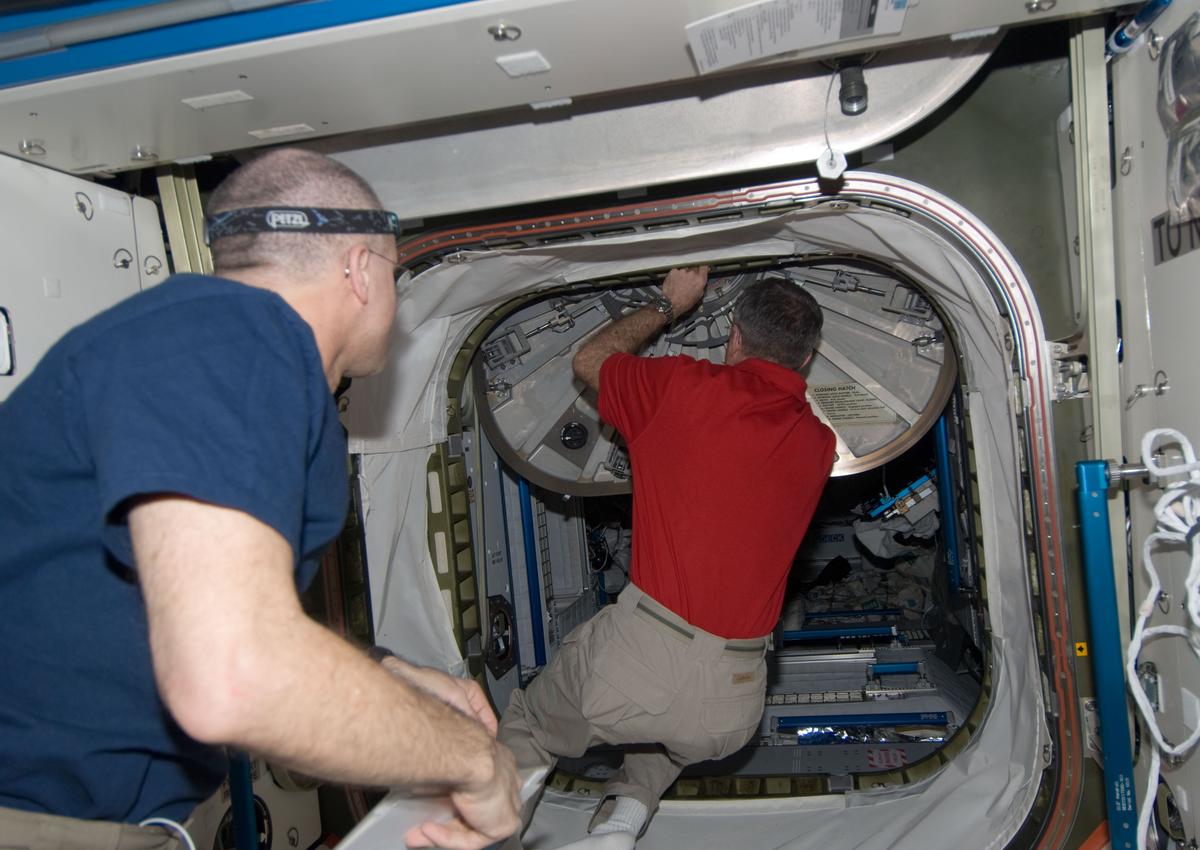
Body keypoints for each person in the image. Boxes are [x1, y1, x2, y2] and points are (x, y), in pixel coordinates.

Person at [0, 148, 520, 850]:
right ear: (361, 270)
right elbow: (234, 675)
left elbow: (177, 612)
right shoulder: (236, 335)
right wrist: (473, 759)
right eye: (396, 274)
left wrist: (384, 677)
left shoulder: (233, 354)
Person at [497, 266, 835, 850]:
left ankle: (485, 836)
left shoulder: (681, 387)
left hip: (643, 658)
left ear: (733, 336)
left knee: (531, 724)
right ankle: (620, 827)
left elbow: (589, 361)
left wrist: (667, 304)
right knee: (665, 738)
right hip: (736, 700)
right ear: (805, 361)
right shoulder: (818, 444)